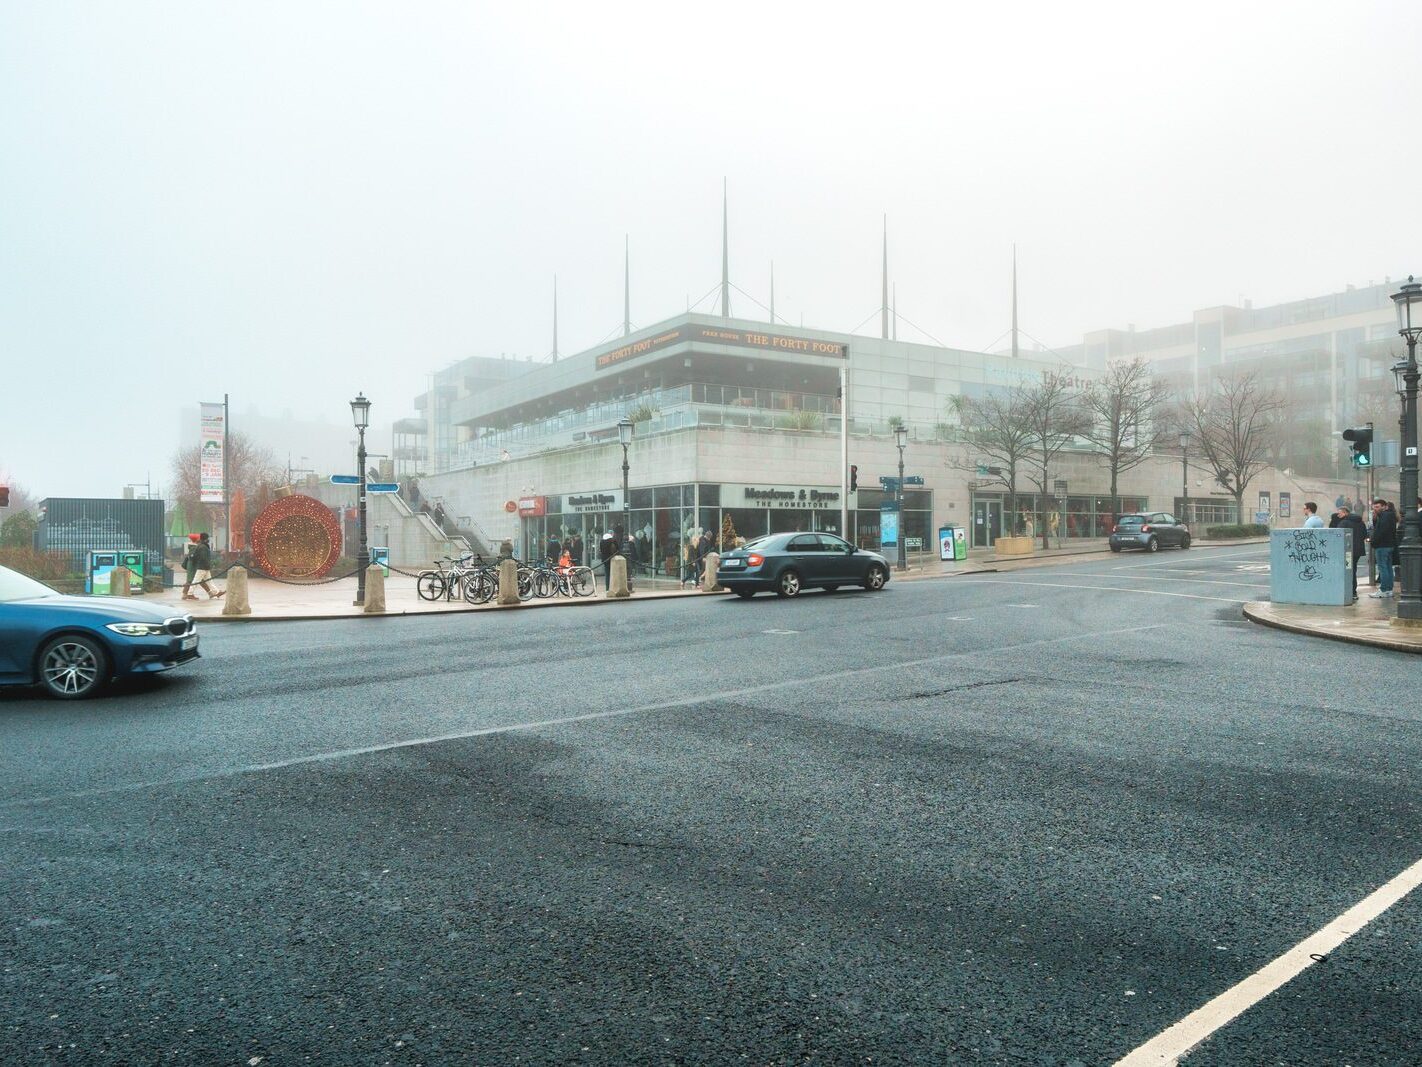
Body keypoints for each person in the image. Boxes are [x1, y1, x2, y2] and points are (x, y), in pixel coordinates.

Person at [1329, 505, 1367, 602]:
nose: (1338, 515)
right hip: (1358, 551)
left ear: (1345, 513)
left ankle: (1349, 591)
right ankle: (1353, 592)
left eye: (1339, 513)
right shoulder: (1360, 522)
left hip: (1347, 551)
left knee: (1347, 571)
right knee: (1353, 570)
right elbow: (1364, 535)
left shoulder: (1344, 522)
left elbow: (1337, 535)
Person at [1370, 498, 1399, 599]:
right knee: (1388, 568)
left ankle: (1383, 590)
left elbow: (1380, 531)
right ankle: (1389, 590)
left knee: (1383, 568)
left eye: (1377, 507)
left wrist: (1373, 542)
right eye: (1374, 508)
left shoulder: (1385, 516)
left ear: (1384, 506)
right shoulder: (1389, 515)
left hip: (1382, 546)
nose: (1376, 509)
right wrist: (1375, 519)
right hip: (1389, 545)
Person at [189, 532, 224, 600]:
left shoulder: (201, 546)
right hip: (203, 567)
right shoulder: (203, 547)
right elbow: (203, 558)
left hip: (204, 567)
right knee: (196, 580)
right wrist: (207, 564)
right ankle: (190, 593)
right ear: (205, 539)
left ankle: (216, 592)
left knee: (209, 581)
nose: (208, 539)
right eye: (207, 538)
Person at [180, 533, 201, 600]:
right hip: (192, 565)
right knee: (190, 580)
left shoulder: (193, 546)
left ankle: (211, 592)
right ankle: (185, 594)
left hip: (192, 565)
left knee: (193, 579)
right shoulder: (194, 547)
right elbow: (193, 557)